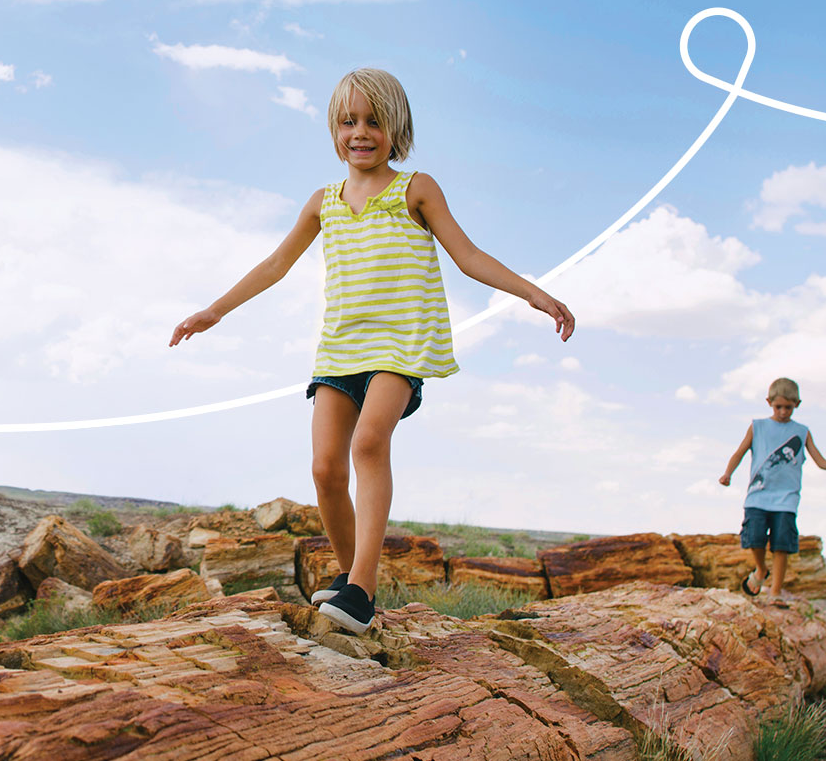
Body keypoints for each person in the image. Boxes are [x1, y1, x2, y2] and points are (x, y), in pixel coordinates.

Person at [169, 68, 574, 633]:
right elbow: (274, 265)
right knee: (325, 468)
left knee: (368, 442)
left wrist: (534, 293)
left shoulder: (416, 189)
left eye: (374, 121)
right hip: (340, 350)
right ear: (335, 129)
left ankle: (362, 588)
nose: (361, 132)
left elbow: (468, 255)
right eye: (349, 121)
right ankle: (347, 576)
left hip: (400, 347)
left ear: (395, 128)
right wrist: (215, 310)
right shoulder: (323, 203)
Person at [718, 377, 826, 598]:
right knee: (754, 538)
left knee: (781, 546)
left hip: (786, 499)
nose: (784, 412)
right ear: (768, 402)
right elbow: (739, 453)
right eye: (779, 407)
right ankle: (761, 569)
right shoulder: (758, 426)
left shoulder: (802, 431)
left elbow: (820, 461)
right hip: (758, 496)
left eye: (789, 407)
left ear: (798, 404)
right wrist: (728, 473)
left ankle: (775, 592)